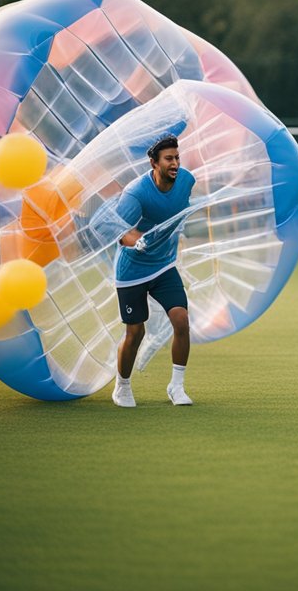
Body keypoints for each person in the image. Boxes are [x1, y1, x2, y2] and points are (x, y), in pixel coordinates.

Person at [110, 134, 197, 407]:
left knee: (181, 320)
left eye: (177, 158)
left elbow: (179, 209)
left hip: (163, 265)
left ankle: (177, 386)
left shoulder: (186, 181)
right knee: (135, 333)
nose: (175, 163)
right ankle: (122, 387)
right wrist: (139, 241)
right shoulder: (135, 192)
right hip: (132, 270)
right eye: (169, 159)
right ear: (153, 163)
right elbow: (118, 231)